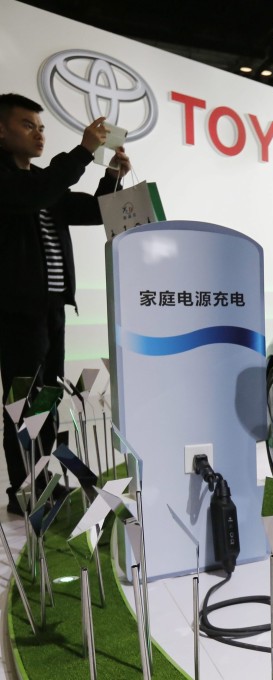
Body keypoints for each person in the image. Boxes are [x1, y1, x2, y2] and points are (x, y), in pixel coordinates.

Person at [0, 92, 132, 514]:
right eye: (27, 125)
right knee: (23, 405)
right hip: (17, 313)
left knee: (48, 400)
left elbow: (96, 211)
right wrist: (83, 151)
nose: (38, 134)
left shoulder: (43, 183)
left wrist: (111, 177)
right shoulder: (12, 182)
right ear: (1, 130)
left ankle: (48, 482)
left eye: (41, 127)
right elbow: (31, 194)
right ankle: (24, 491)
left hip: (51, 310)